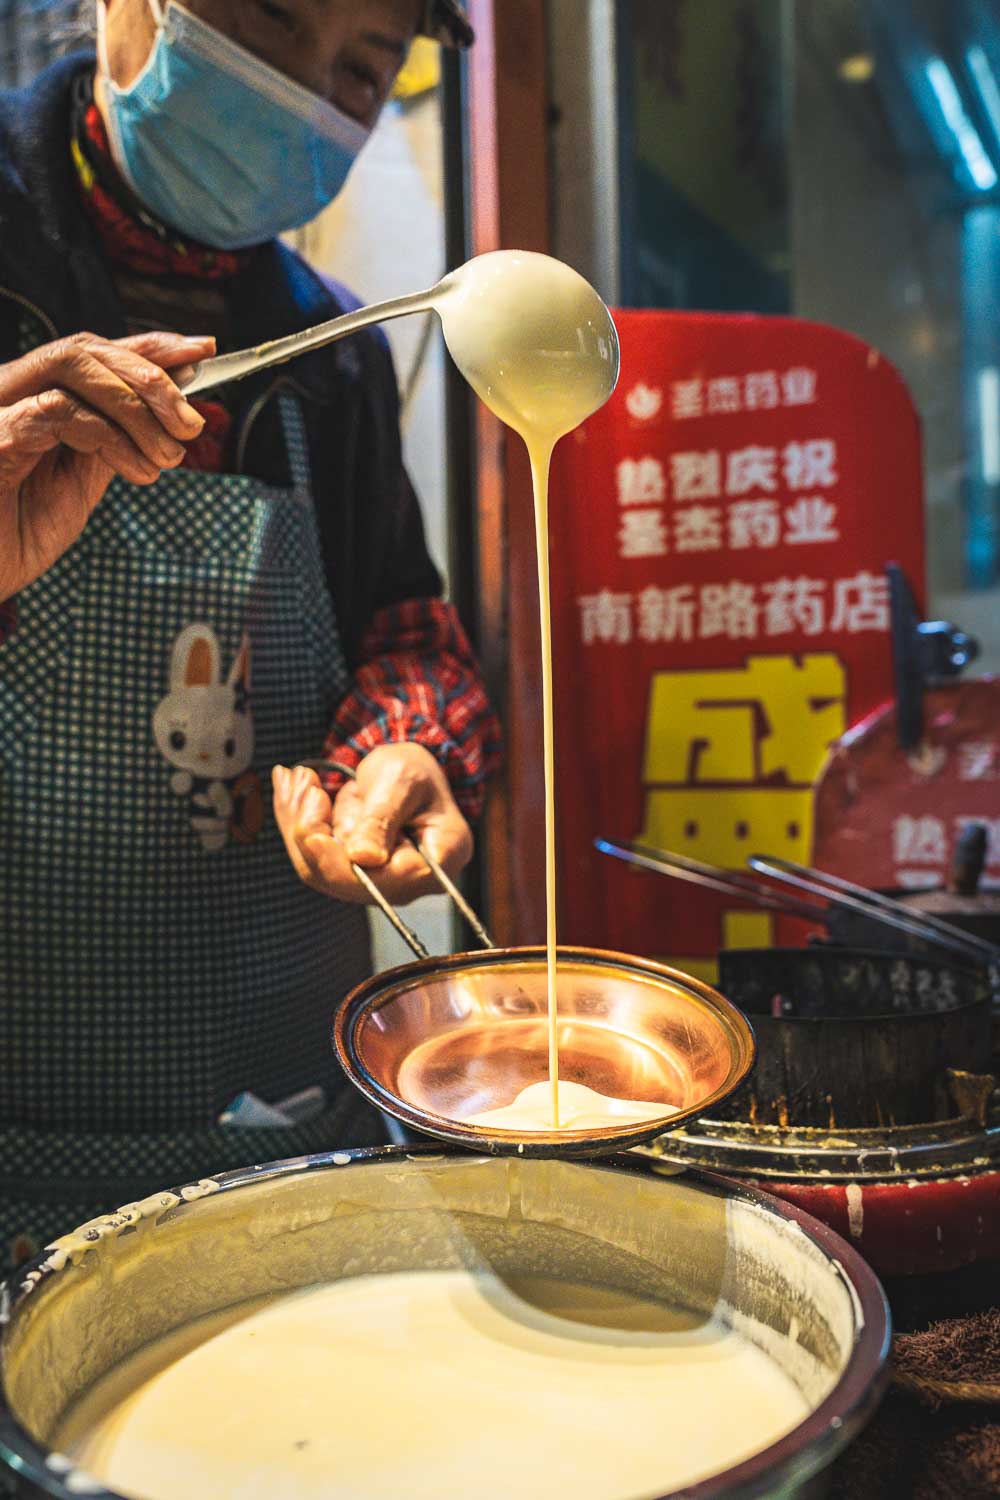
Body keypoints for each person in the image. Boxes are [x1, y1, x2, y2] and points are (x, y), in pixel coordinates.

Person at [0, 0, 500, 1272]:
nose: (303, 95)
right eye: (269, 26)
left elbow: (409, 631)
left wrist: (402, 753)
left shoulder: (328, 352)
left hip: (282, 1117)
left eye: (362, 69)